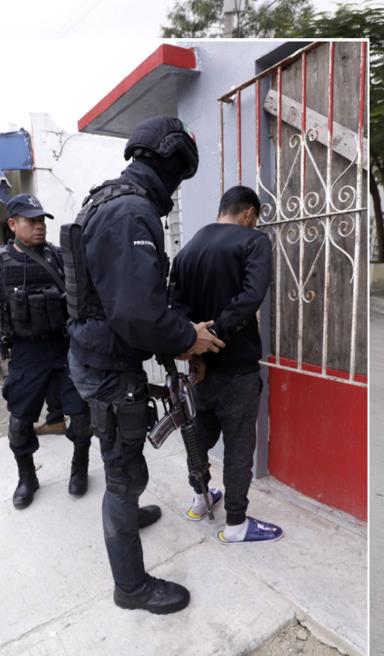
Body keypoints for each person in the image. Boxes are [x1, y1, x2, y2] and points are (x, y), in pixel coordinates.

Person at [64, 115, 225, 615]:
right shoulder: (132, 212)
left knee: (126, 469)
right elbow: (136, 312)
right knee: (121, 474)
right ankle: (130, 588)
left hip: (99, 356)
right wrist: (187, 338)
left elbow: (132, 298)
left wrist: (177, 342)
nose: (177, 189)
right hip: (108, 369)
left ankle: (129, 515)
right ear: (168, 163)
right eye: (179, 174)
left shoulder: (109, 199)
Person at [170, 184, 284, 543]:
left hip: (200, 366)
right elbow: (251, 295)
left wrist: (197, 346)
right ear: (249, 214)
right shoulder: (253, 242)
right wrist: (217, 332)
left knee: (200, 435)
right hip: (237, 367)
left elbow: (174, 308)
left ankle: (200, 499)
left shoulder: (186, 250)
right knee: (238, 444)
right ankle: (236, 524)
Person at [0, 193, 92, 509]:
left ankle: (79, 468)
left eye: (41, 221)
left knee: (81, 417)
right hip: (26, 353)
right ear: (12, 224)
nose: (39, 227)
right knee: (20, 423)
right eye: (30, 221)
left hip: (66, 349)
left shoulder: (61, 258)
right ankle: (27, 477)